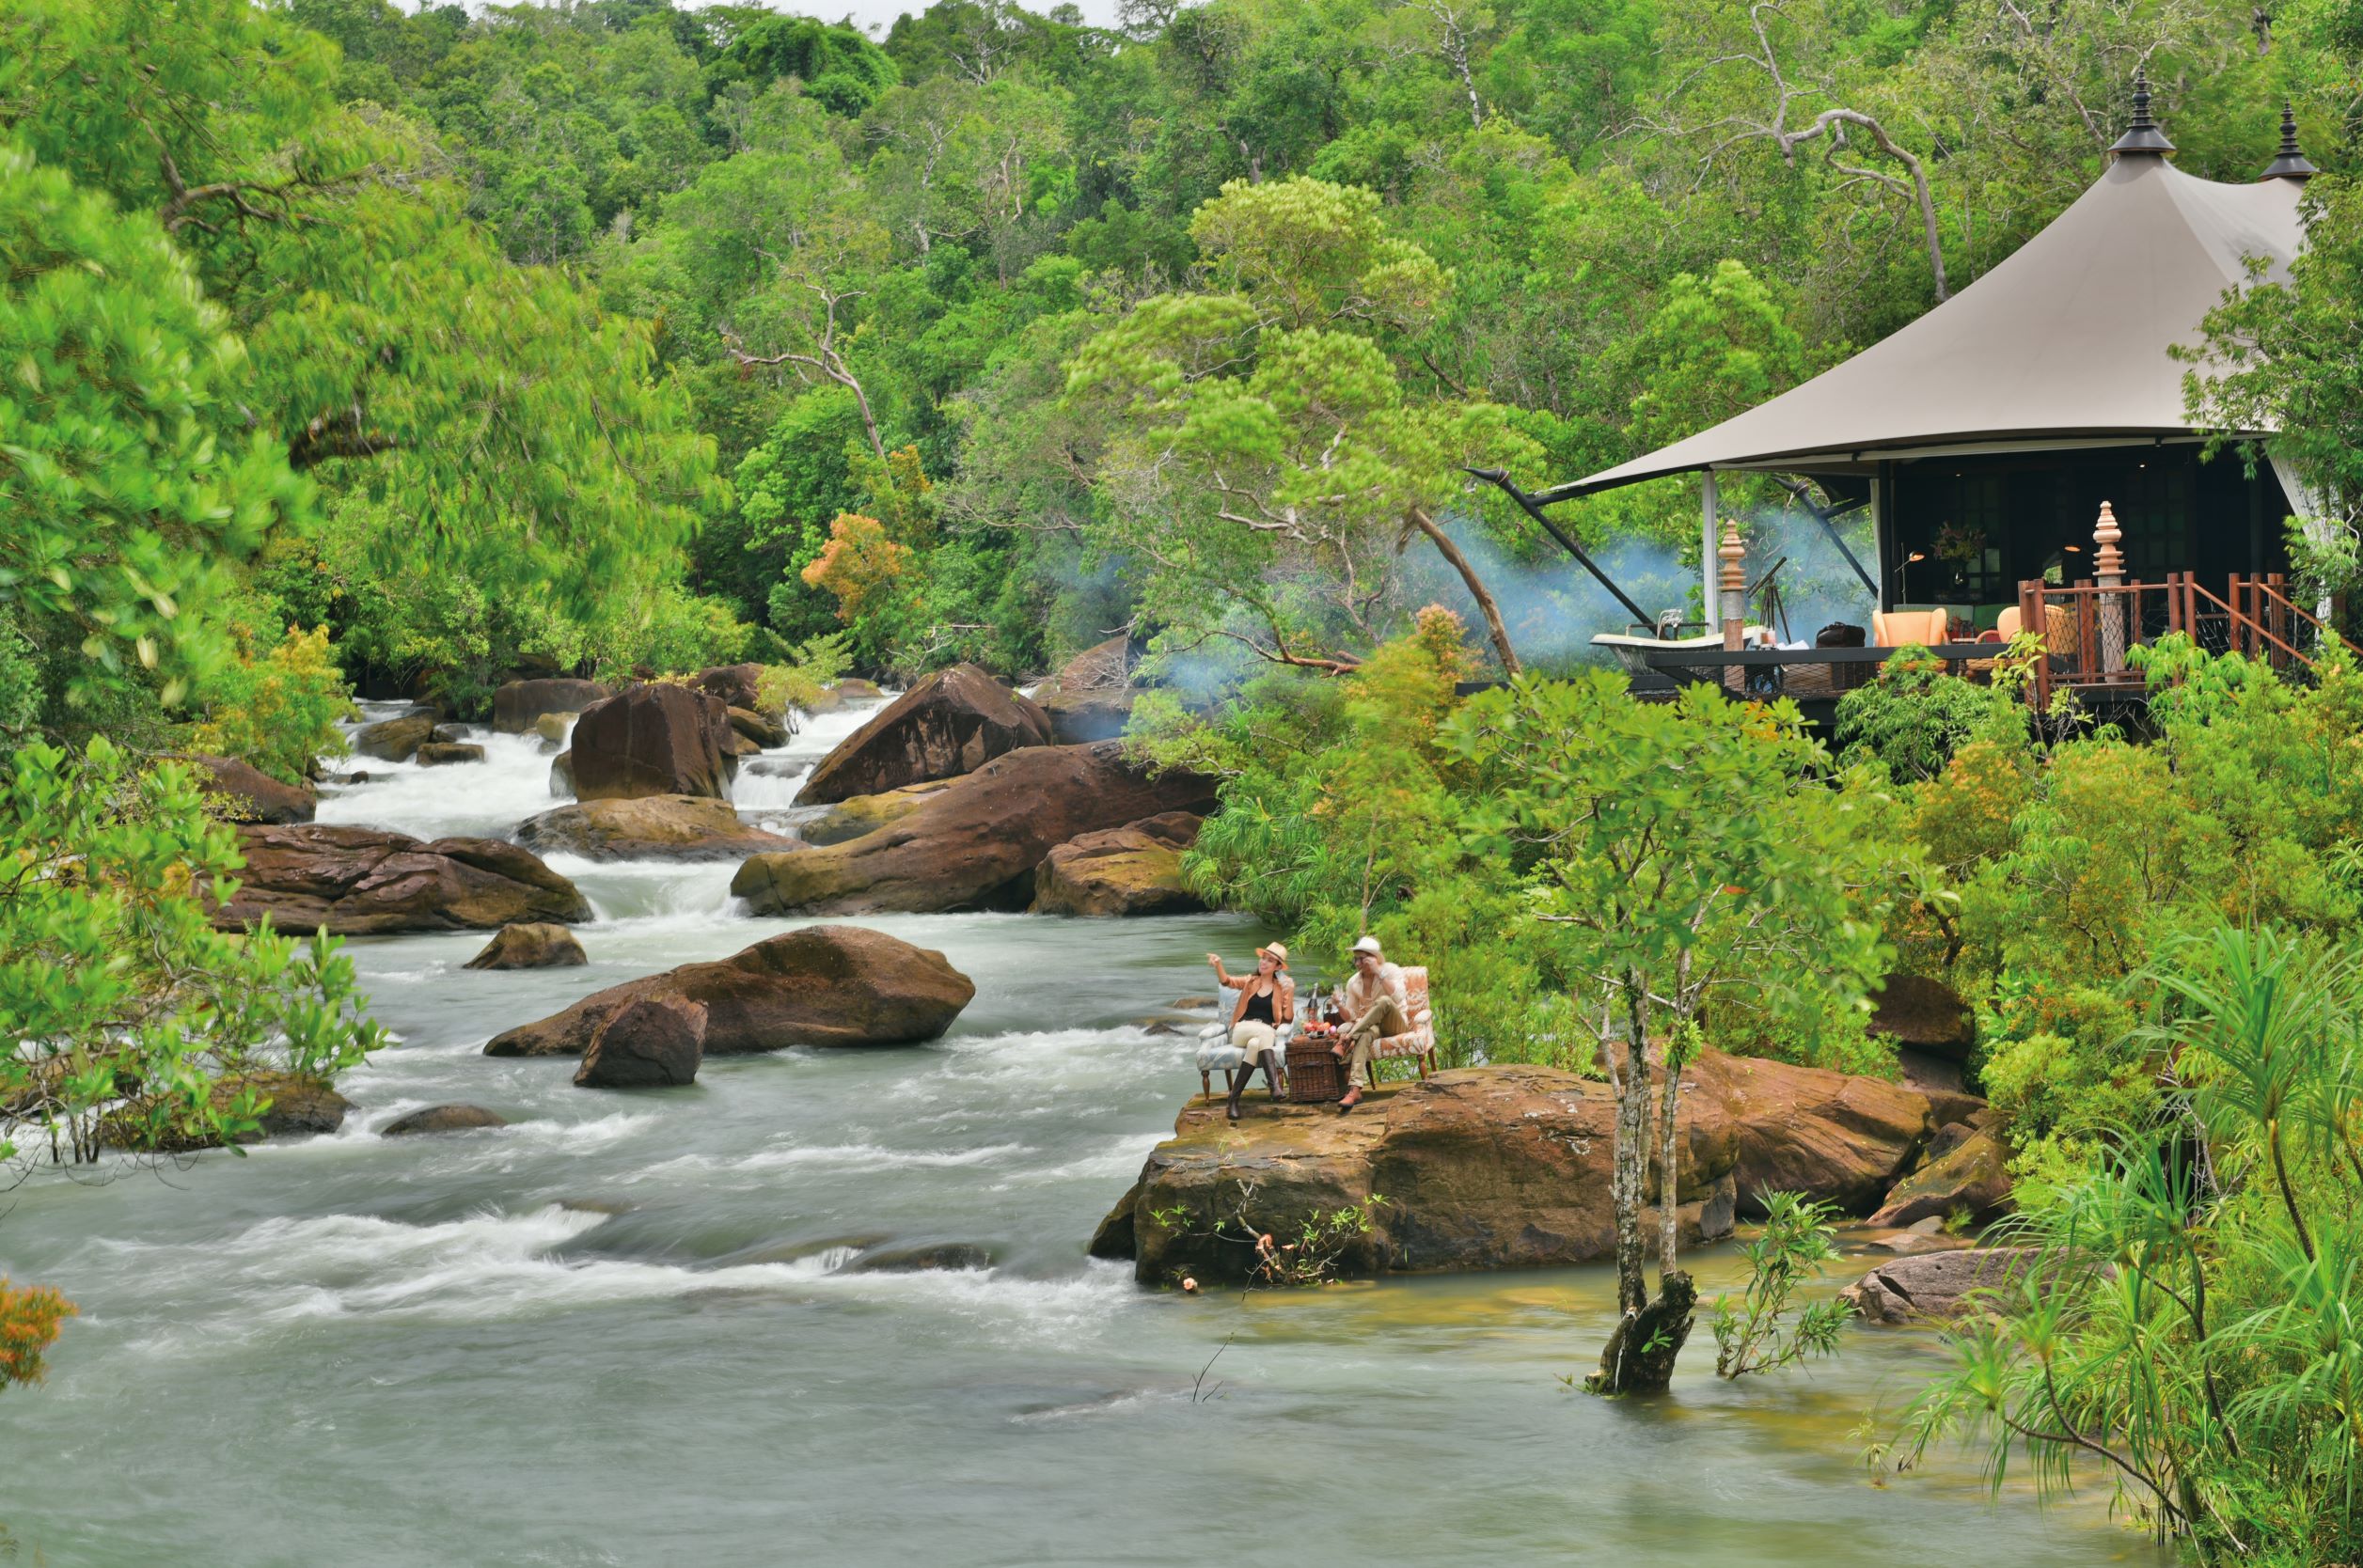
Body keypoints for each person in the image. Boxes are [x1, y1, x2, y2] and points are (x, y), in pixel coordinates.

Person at [1206, 944, 1293, 1121]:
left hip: (1263, 1034)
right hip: (1242, 1029)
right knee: (1265, 1033)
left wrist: (1289, 990)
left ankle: (1233, 1100)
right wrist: (1218, 965)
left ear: (1277, 967)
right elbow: (1227, 981)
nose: (1264, 962)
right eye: (1263, 958)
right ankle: (1274, 1087)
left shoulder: (1281, 987)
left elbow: (1288, 1018)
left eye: (1270, 960)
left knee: (1255, 1044)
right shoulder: (1250, 981)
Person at [1331, 935, 1411, 1114]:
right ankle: (1355, 1090)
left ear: (1373, 958)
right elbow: (1350, 1016)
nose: (1358, 963)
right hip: (1371, 1026)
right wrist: (1339, 1005)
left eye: (1362, 959)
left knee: (1384, 1001)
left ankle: (1347, 1039)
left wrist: (1378, 972)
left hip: (1394, 1022)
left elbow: (1398, 997)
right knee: (1365, 1035)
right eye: (1356, 959)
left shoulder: (1390, 970)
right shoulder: (1354, 982)